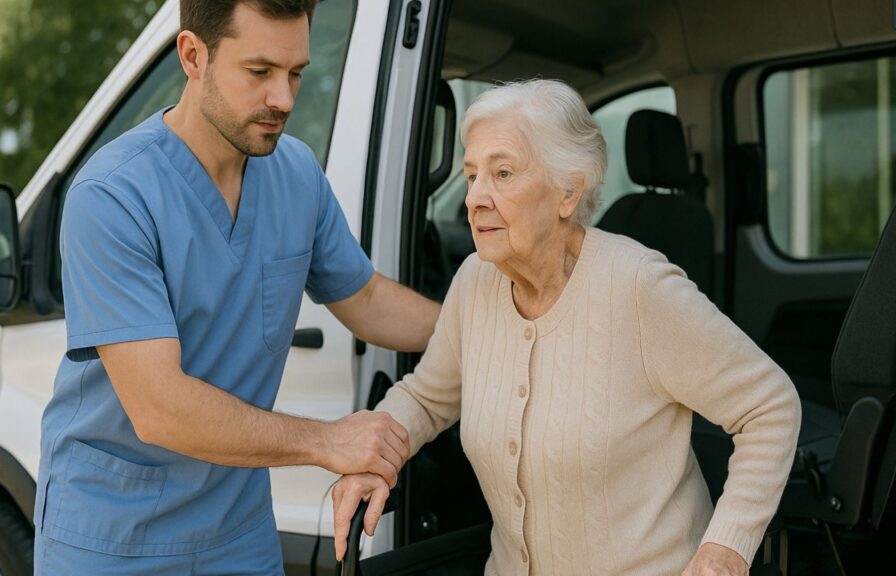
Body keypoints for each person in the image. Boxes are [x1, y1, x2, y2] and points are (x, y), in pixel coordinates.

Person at [331, 80, 801, 576]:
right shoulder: (475, 282)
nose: (475, 199)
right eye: (471, 176)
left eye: (503, 173)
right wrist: (374, 457)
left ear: (568, 190)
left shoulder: (638, 286)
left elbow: (768, 406)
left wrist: (724, 550)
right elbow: (427, 398)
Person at [32, 1, 437, 573]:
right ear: (193, 55)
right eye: (260, 72)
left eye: (296, 73)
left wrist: (489, 321)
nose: (285, 99)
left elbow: (367, 300)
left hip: (238, 533)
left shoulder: (297, 174)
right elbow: (160, 409)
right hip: (112, 539)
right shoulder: (112, 195)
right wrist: (326, 442)